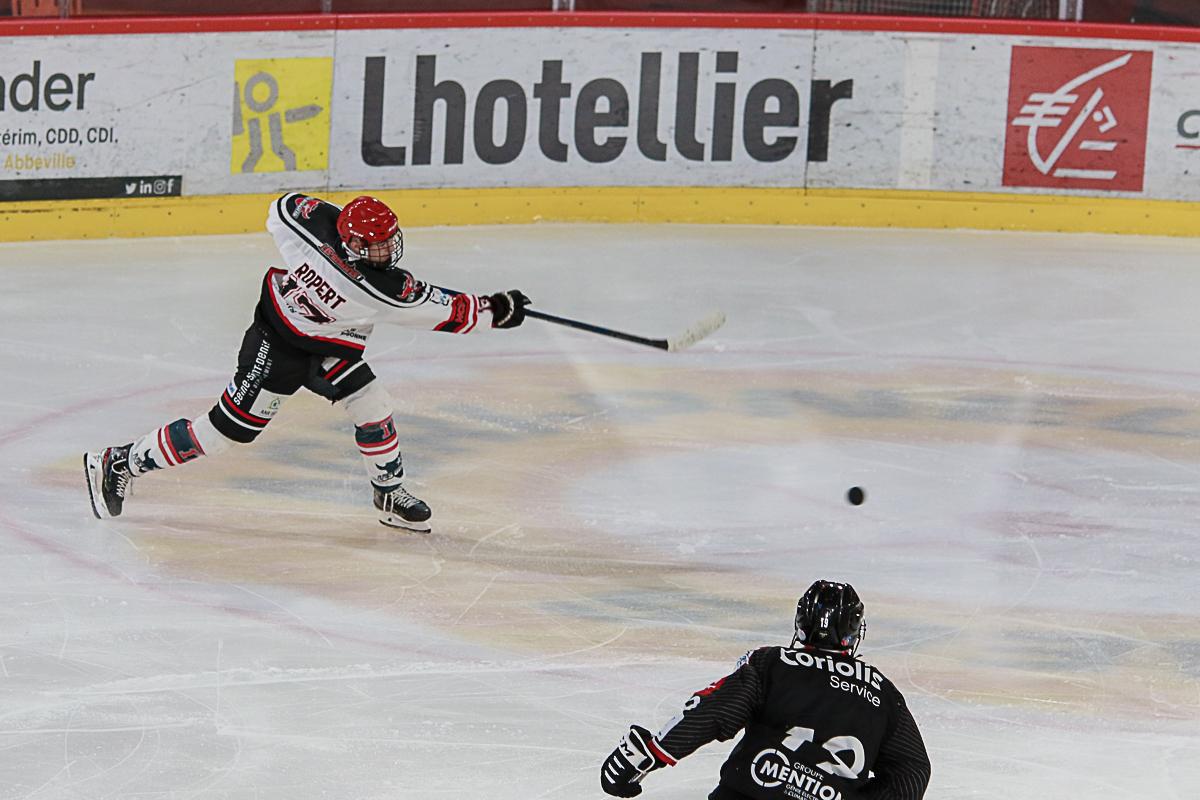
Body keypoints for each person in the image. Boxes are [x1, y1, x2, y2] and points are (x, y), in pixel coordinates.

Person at [84, 193, 530, 534]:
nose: (387, 250)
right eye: (377, 245)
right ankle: (120, 461)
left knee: (372, 403)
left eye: (388, 240)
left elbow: (282, 209)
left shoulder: (314, 232)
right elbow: (443, 310)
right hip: (278, 343)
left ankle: (388, 494)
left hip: (327, 342)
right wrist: (496, 309)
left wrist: (336, 225)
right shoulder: (378, 290)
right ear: (355, 245)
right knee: (224, 433)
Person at [600, 580, 931, 800]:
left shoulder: (773, 662)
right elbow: (913, 772)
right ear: (854, 632)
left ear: (801, 622)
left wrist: (652, 754)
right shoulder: (883, 693)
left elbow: (715, 711)